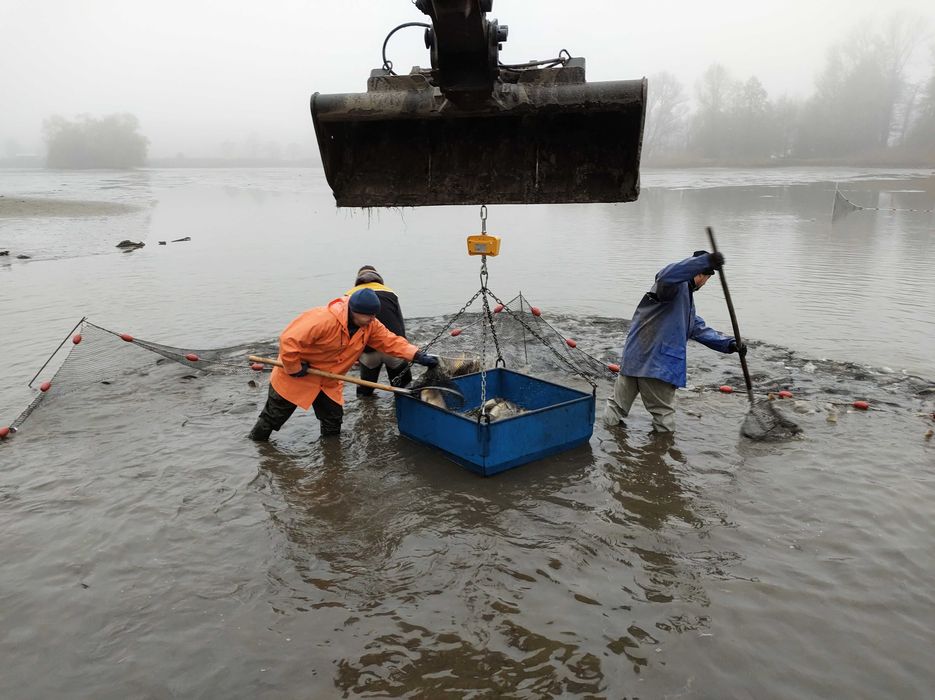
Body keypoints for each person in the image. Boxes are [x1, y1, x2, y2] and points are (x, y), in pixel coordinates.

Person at [249, 288, 438, 442]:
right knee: (272, 418)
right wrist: (294, 367)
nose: (373, 319)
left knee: (332, 422)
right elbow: (289, 340)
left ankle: (332, 461)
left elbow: (390, 341)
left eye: (374, 315)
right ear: (354, 312)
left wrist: (416, 354)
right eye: (368, 316)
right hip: (296, 378)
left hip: (329, 381)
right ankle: (256, 447)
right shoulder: (323, 319)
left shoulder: (370, 324)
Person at [603, 250, 747, 433]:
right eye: (707, 279)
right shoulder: (674, 287)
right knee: (663, 415)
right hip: (658, 365)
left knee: (616, 406)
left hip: (635, 358)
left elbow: (697, 328)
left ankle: (608, 440)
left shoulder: (685, 300)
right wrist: (705, 261)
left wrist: (730, 344)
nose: (705, 284)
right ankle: (660, 455)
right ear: (700, 274)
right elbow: (665, 276)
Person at [346, 265, 412, 396]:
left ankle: (367, 411)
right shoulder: (390, 293)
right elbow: (400, 323)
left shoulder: (349, 295)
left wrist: (353, 356)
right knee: (404, 390)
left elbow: (347, 329)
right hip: (393, 351)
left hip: (368, 353)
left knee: (365, 393)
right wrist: (406, 349)